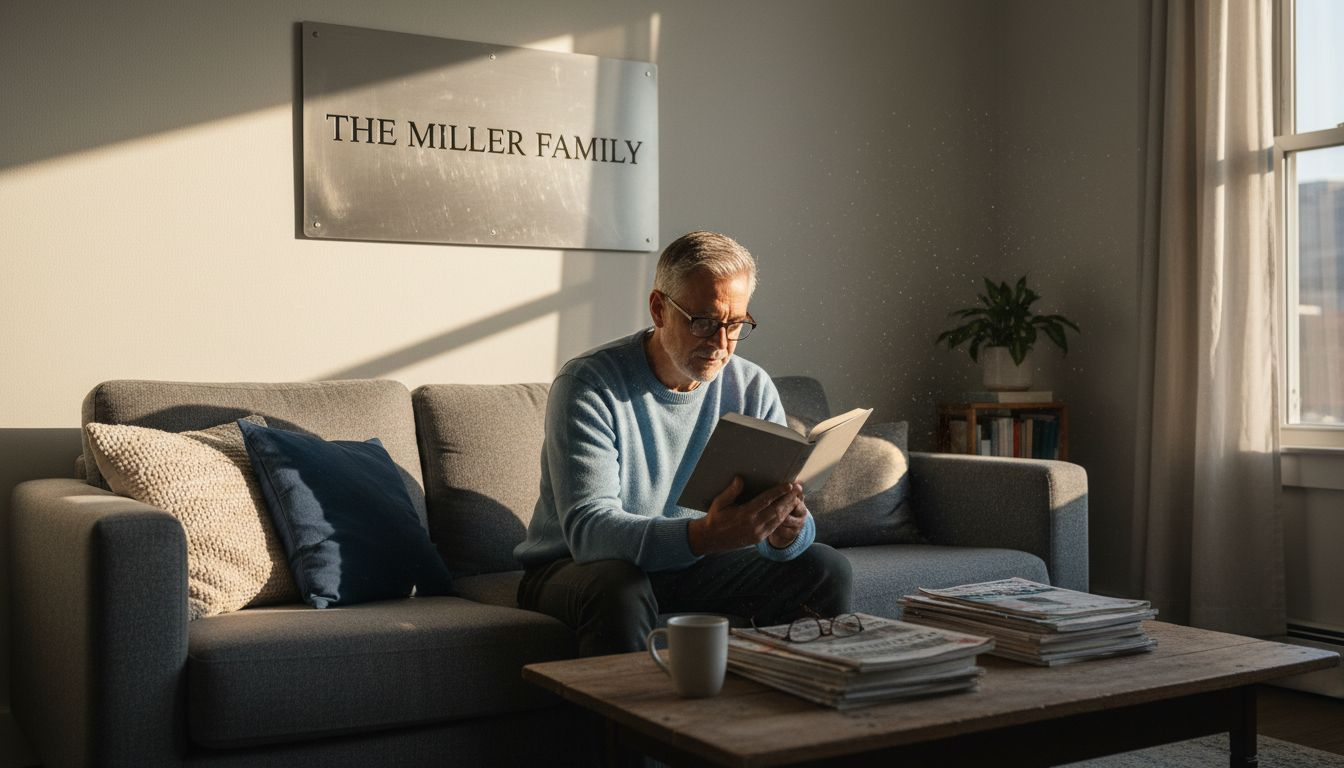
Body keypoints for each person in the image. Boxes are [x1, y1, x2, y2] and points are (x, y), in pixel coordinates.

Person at [514, 231, 853, 656]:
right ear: (659, 309)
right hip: (575, 568)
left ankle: (786, 707)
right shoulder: (590, 384)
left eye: (735, 325)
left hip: (693, 565)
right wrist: (703, 536)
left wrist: (787, 532)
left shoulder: (750, 386)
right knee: (619, 586)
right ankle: (630, 723)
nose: (720, 343)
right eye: (704, 322)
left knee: (824, 568)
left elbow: (772, 536)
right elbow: (590, 532)